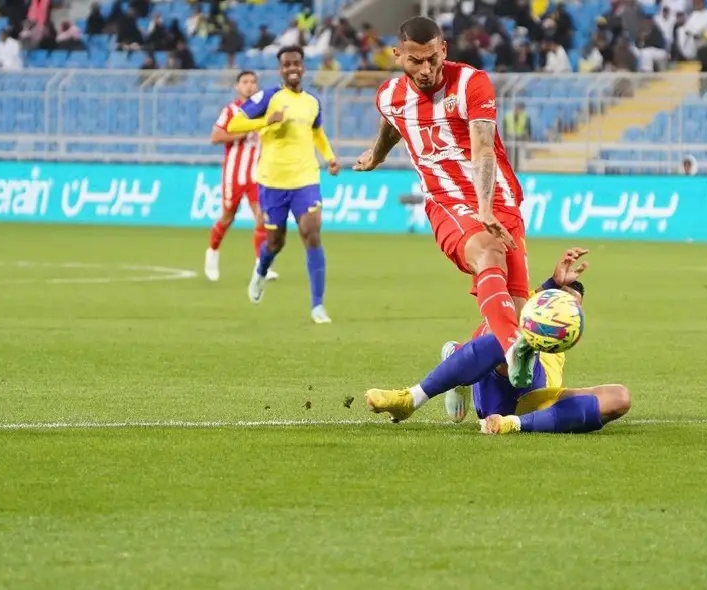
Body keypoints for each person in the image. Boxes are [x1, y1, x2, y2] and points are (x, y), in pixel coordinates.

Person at [354, 16, 538, 404]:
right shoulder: (388, 96)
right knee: (488, 253)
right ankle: (513, 347)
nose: (426, 70)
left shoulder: (472, 83)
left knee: (511, 316)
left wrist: (486, 207)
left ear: (444, 51)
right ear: (398, 55)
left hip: (499, 200)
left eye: (433, 60)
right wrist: (376, 155)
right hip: (448, 202)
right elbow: (393, 124)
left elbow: (484, 147)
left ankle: (459, 359)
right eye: (415, 61)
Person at [367, 248, 632, 433]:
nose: (563, 316)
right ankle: (412, 398)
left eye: (573, 311)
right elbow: (509, 316)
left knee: (620, 397)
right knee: (508, 334)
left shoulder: (563, 340)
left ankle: (512, 424)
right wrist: (552, 283)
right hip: (501, 380)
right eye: (559, 304)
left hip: (536, 399)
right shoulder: (527, 309)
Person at [225, 46, 340, 322]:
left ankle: (317, 305)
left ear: (303, 67)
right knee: (275, 242)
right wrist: (266, 120)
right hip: (273, 183)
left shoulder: (312, 102)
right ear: (280, 69)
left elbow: (317, 132)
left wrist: (330, 158)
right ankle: (261, 272)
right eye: (286, 64)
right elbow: (233, 125)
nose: (292, 68)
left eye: (296, 63)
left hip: (305, 179)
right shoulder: (268, 97)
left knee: (312, 231)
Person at [204, 70, 278, 283]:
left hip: (257, 174)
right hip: (234, 175)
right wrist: (241, 134)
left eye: (253, 82)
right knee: (228, 217)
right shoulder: (230, 110)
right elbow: (215, 136)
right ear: (237, 87)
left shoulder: (264, 112)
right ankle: (213, 251)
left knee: (262, 217)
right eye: (245, 82)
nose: (249, 86)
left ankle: (260, 265)